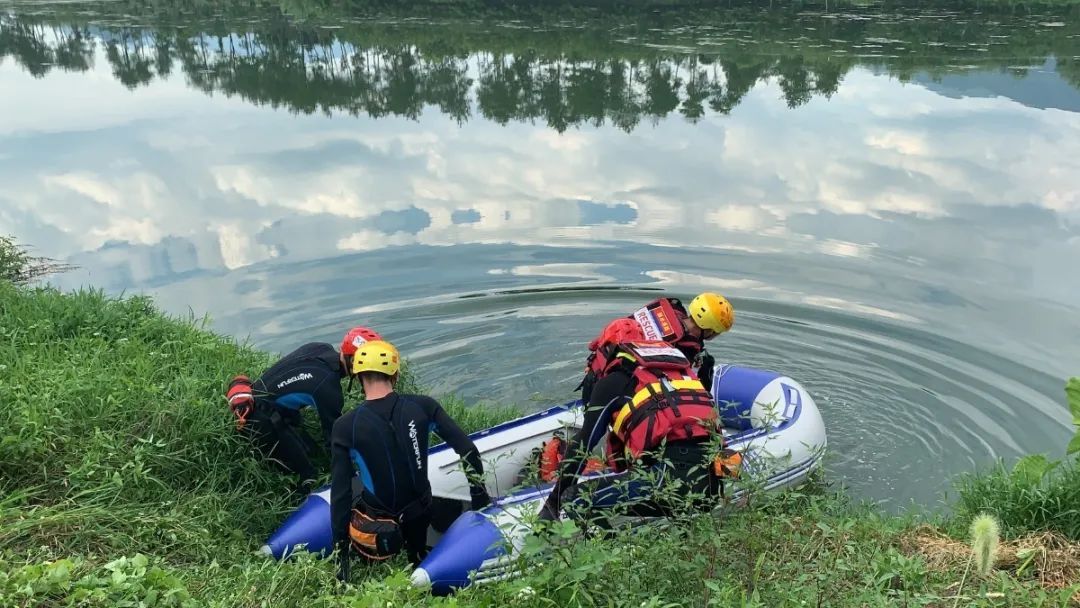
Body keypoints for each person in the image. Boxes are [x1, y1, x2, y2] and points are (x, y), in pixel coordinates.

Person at [330, 340, 491, 580]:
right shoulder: (423, 406)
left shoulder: (345, 427)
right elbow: (467, 449)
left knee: (356, 489)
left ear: (358, 376)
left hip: (378, 524)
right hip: (420, 513)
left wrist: (340, 549)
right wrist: (479, 498)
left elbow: (340, 491)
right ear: (394, 374)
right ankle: (419, 560)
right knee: (417, 543)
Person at [540, 333, 736, 526]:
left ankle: (612, 553)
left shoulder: (613, 382)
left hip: (667, 480)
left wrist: (552, 504)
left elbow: (583, 446)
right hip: (712, 484)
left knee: (574, 498)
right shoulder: (681, 376)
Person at [226, 326, 382, 490]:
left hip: (267, 402)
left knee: (312, 452)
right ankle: (293, 496)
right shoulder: (328, 388)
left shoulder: (321, 347)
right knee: (307, 474)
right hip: (259, 420)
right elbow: (335, 442)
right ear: (354, 362)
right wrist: (352, 477)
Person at [578, 292, 734, 404]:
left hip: (595, 372)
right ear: (709, 329)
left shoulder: (669, 309)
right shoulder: (686, 348)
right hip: (615, 394)